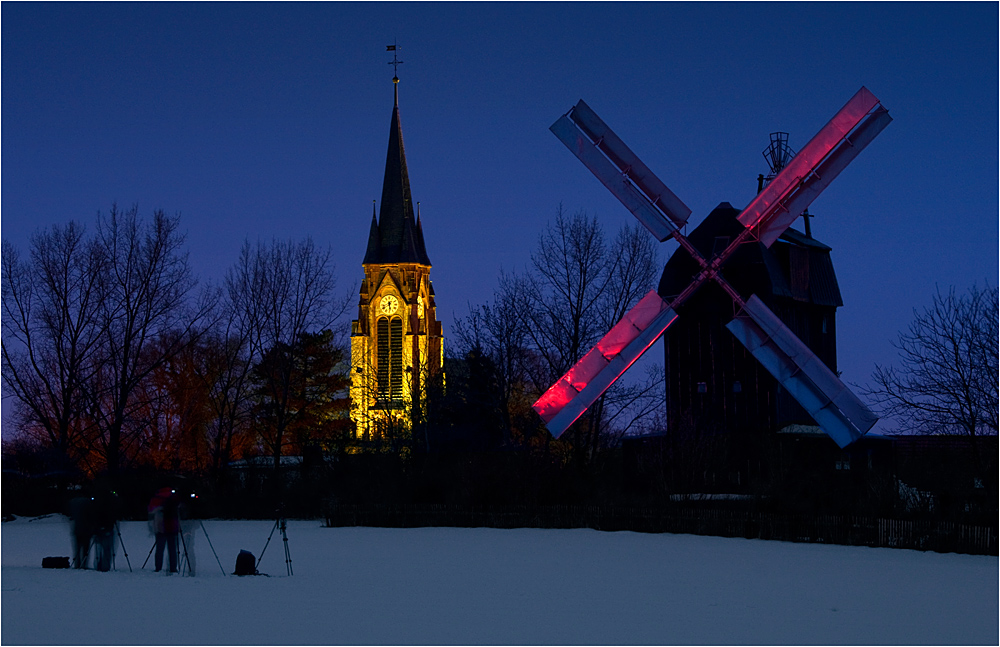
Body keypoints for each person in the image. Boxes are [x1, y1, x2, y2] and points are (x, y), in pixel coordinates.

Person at [148, 487, 180, 573]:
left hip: (160, 525)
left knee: (159, 548)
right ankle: (173, 567)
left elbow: (150, 511)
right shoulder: (174, 497)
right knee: (172, 548)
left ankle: (158, 567)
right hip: (172, 525)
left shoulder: (156, 498)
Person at [90, 487, 118, 572]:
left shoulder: (96, 502)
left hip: (98, 528)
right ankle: (105, 566)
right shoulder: (110, 504)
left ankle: (98, 564)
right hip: (108, 528)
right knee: (107, 548)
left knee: (99, 547)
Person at [68, 493, 93, 569]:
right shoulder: (88, 502)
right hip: (86, 529)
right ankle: (83, 564)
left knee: (77, 548)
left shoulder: (73, 502)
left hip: (77, 529)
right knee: (85, 549)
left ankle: (77, 564)